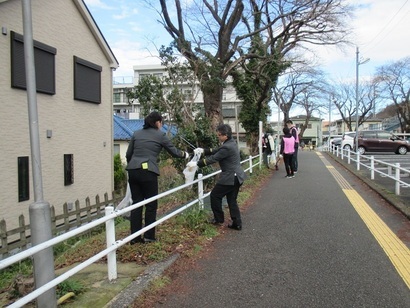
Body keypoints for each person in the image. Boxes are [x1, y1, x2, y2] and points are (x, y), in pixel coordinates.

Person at [125, 111, 189, 244]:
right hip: (148, 171)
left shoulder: (136, 134)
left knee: (137, 203)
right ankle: (149, 236)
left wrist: (134, 164)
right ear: (157, 122)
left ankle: (135, 238)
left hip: (133, 171)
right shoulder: (160, 135)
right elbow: (174, 152)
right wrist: (185, 155)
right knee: (151, 204)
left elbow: (128, 154)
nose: (161, 124)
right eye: (161, 122)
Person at [188, 124, 245, 230]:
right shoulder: (231, 143)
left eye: (219, 135)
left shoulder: (227, 147)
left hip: (230, 177)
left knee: (214, 195)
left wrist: (196, 163)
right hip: (237, 176)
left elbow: (213, 158)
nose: (218, 137)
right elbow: (216, 150)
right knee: (232, 200)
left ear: (225, 136)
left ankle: (218, 219)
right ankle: (237, 223)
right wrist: (202, 150)